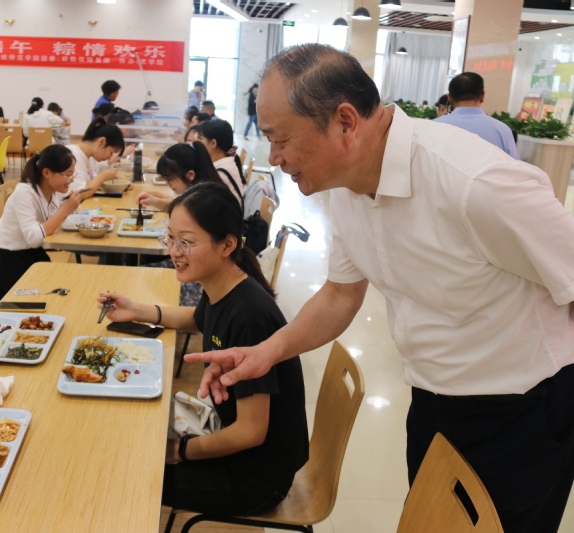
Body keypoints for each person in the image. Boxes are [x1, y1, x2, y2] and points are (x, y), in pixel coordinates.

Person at [186, 43, 574, 533]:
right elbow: (340, 294)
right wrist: (267, 352)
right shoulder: (348, 184)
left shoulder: (475, 183)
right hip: (434, 399)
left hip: (525, 413)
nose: (275, 157)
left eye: (280, 139)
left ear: (345, 122)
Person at [98, 183, 308, 516]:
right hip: (236, 442)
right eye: (170, 238)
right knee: (126, 431)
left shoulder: (249, 316)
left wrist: (180, 450)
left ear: (227, 244)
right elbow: (196, 319)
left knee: (125, 475)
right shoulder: (224, 283)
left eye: (186, 242)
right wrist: (135, 310)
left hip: (256, 477)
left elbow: (251, 432)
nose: (174, 251)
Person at [0, 145, 109, 305]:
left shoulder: (54, 191)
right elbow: (33, 238)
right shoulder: (25, 193)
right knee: (50, 300)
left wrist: (73, 207)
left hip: (35, 255)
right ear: (46, 173)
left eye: (72, 174)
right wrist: (65, 210)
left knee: (64, 292)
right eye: (67, 174)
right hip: (12, 260)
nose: (71, 179)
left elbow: (72, 218)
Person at [434, 72, 519, 159]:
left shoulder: (434, 126)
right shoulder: (502, 130)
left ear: (449, 98)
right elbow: (514, 165)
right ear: (482, 96)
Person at [138, 142, 224, 212]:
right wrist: (154, 200)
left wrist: (155, 200)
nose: (167, 183)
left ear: (190, 175)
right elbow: (178, 207)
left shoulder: (203, 201)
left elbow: (180, 210)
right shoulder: (202, 191)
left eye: (170, 179)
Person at [65, 118, 125, 197]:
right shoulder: (72, 155)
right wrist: (103, 176)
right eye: (111, 152)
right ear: (101, 141)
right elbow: (78, 194)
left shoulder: (87, 155)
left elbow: (92, 180)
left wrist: (116, 178)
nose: (110, 158)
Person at [199, 119, 244, 204]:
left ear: (213, 143)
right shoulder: (225, 163)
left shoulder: (221, 172)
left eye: (201, 138)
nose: (198, 142)